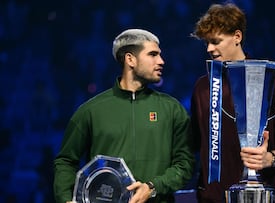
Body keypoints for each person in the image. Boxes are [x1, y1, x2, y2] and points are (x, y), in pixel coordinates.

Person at [53, 29, 195, 203]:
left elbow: (185, 164)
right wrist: (66, 199)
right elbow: (66, 160)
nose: (161, 61)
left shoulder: (173, 109)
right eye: (153, 54)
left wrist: (152, 187)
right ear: (130, 59)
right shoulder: (91, 110)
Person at [190, 3, 275, 203]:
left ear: (237, 37)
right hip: (213, 197)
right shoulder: (203, 87)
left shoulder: (270, 82)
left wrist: (269, 158)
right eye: (207, 43)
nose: (210, 48)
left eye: (216, 41)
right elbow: (195, 144)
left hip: (261, 195)